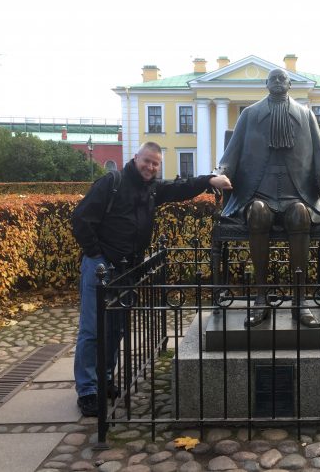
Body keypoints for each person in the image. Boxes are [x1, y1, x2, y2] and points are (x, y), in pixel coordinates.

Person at [71, 141, 231, 416]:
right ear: (136, 158)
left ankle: (105, 379)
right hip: (102, 266)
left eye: (155, 163)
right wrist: (97, 255)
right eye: (147, 161)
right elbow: (81, 219)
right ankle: (87, 390)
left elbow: (180, 188)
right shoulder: (113, 182)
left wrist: (208, 180)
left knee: (115, 328)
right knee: (93, 329)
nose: (151, 167)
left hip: (127, 269)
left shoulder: (152, 188)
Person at [216, 68, 320, 329]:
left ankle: (299, 301)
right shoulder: (249, 115)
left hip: (298, 193)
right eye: (273, 79)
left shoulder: (306, 115)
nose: (278, 82)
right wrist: (221, 174)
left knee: (300, 215)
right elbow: (231, 154)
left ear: (290, 84)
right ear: (266, 83)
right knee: (258, 213)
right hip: (258, 192)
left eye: (282, 78)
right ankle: (261, 298)